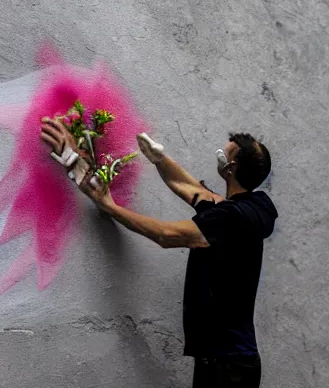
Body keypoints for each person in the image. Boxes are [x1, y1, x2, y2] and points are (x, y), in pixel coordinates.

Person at [40, 117, 277, 388]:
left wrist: (108, 205)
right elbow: (195, 192)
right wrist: (159, 159)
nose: (220, 155)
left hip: (227, 365)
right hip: (232, 360)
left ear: (231, 167)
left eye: (224, 152)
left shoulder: (227, 218)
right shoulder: (255, 207)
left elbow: (166, 235)